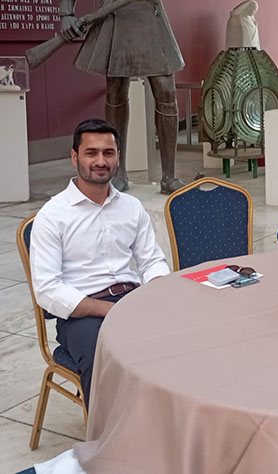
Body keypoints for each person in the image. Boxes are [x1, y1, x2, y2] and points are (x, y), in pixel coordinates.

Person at [30, 119, 170, 408]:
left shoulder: (131, 207)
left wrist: (156, 296)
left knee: (180, 340)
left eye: (108, 153)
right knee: (104, 356)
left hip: (133, 298)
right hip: (82, 314)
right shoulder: (52, 216)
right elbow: (47, 289)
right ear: (74, 157)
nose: (100, 161)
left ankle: (175, 429)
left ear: (118, 156)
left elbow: (152, 260)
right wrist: (108, 310)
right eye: (91, 153)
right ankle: (111, 445)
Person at [59, 0, 186, 194]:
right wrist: (66, 13)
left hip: (149, 12)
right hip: (115, 12)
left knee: (166, 90)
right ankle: (118, 173)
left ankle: (169, 176)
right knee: (116, 89)